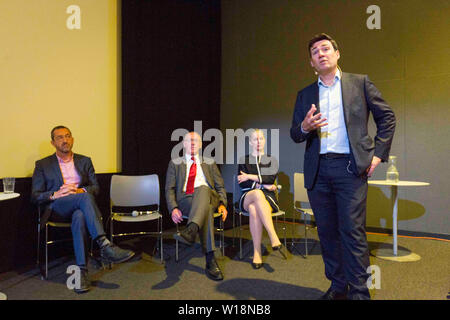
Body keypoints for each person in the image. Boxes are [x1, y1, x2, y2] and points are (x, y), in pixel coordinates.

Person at [290, 33, 396, 300]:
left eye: (326, 49)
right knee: (327, 233)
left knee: (352, 232)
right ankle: (338, 287)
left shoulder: (359, 83)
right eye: (315, 52)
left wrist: (377, 155)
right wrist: (304, 127)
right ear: (312, 62)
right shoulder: (305, 94)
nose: (321, 53)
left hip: (350, 169)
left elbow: (387, 118)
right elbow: (295, 133)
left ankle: (359, 292)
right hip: (318, 172)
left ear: (337, 54)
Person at [32, 126, 135, 294]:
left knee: (80, 214)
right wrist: (55, 193)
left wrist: (80, 191)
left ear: (72, 139)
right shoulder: (43, 164)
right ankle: (104, 245)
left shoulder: (84, 160)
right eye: (59, 137)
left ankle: (81, 273)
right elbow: (35, 196)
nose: (64, 140)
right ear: (53, 142)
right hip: (57, 208)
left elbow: (95, 188)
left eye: (67, 136)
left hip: (79, 207)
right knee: (85, 198)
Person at [165, 131, 228, 281]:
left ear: (200, 145)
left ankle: (192, 229)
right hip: (186, 200)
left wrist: (223, 204)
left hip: (210, 197)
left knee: (203, 188)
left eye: (196, 141)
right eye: (189, 140)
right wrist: (173, 207)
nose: (193, 143)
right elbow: (169, 189)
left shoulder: (210, 162)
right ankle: (210, 258)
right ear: (184, 144)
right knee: (204, 209)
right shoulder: (175, 163)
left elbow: (220, 187)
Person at [237, 129, 288, 269]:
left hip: (268, 199)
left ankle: (257, 252)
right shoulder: (244, 160)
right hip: (247, 196)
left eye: (261, 138)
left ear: (264, 141)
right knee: (257, 195)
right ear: (250, 142)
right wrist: (262, 184)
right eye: (255, 139)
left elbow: (270, 178)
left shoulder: (271, 160)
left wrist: (249, 176)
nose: (258, 141)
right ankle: (273, 236)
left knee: (254, 209)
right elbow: (243, 182)